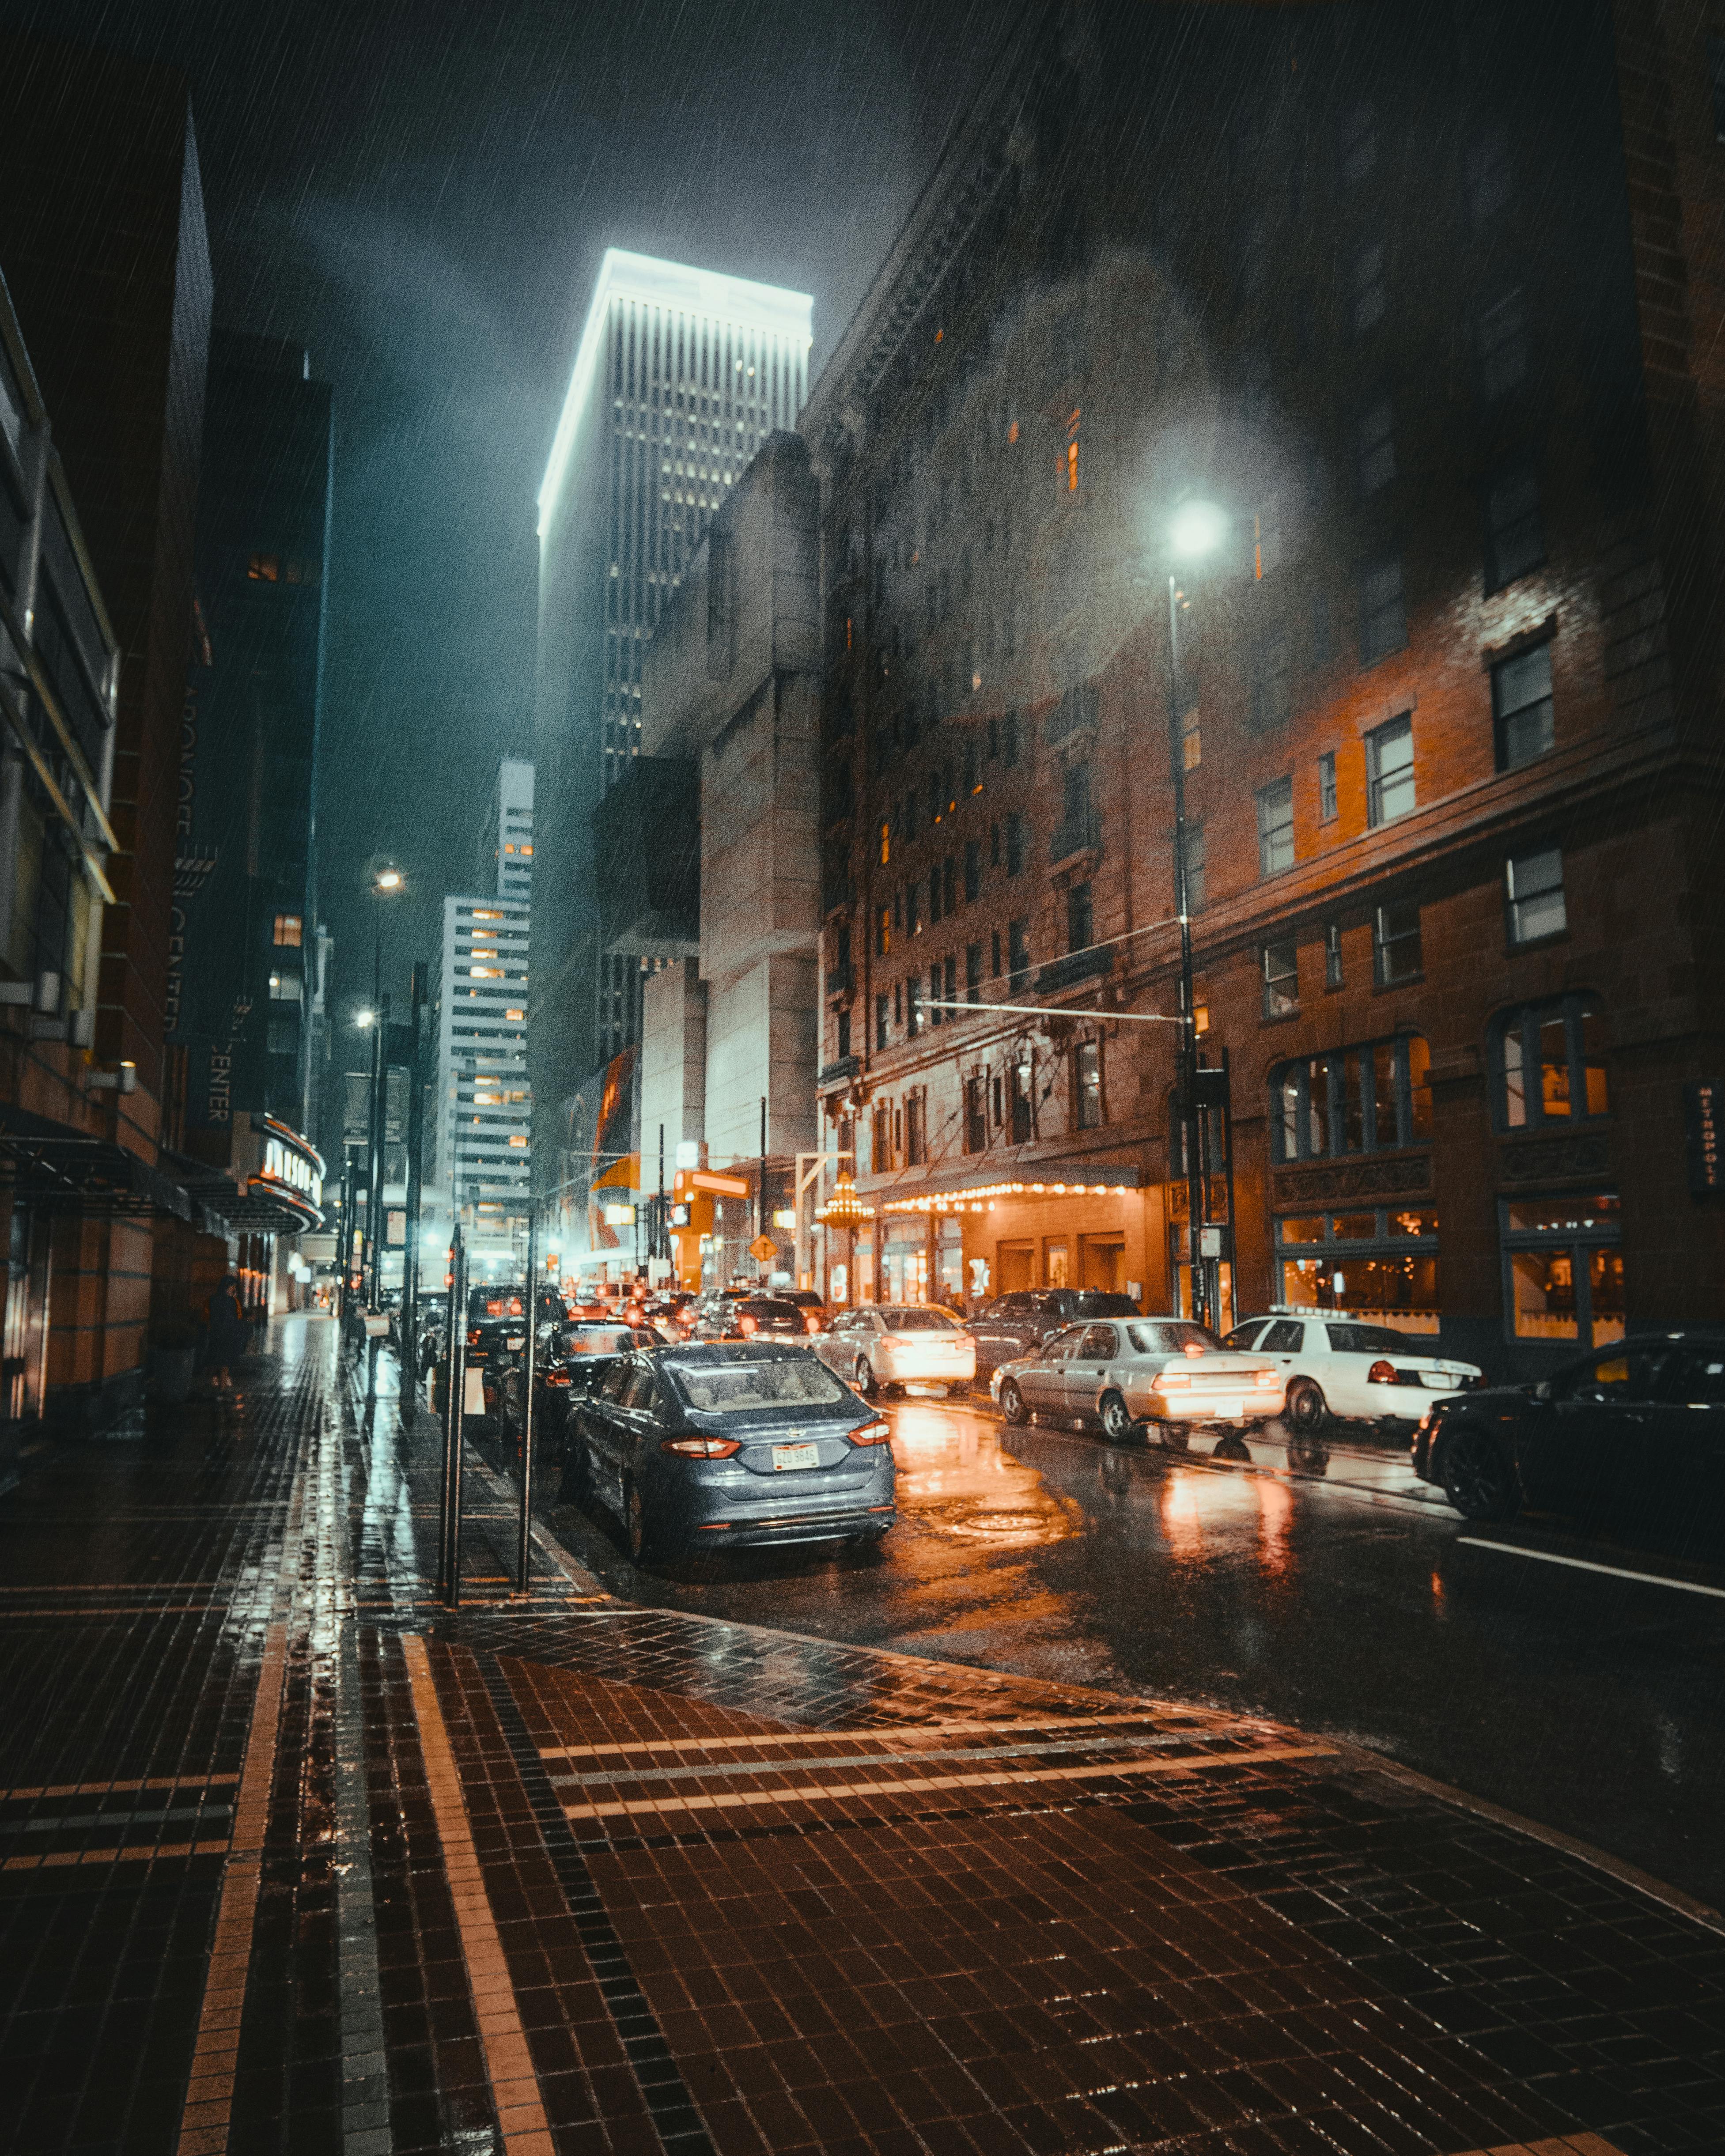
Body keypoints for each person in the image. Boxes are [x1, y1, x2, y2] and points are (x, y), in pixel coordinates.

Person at [205, 1275, 250, 1401]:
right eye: (233, 1287)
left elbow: (208, 1318)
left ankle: (215, 1386)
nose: (234, 1289)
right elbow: (238, 1318)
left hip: (215, 1335)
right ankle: (222, 1389)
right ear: (229, 1287)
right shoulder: (232, 1302)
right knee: (225, 1363)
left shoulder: (212, 1300)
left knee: (215, 1361)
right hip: (228, 1336)